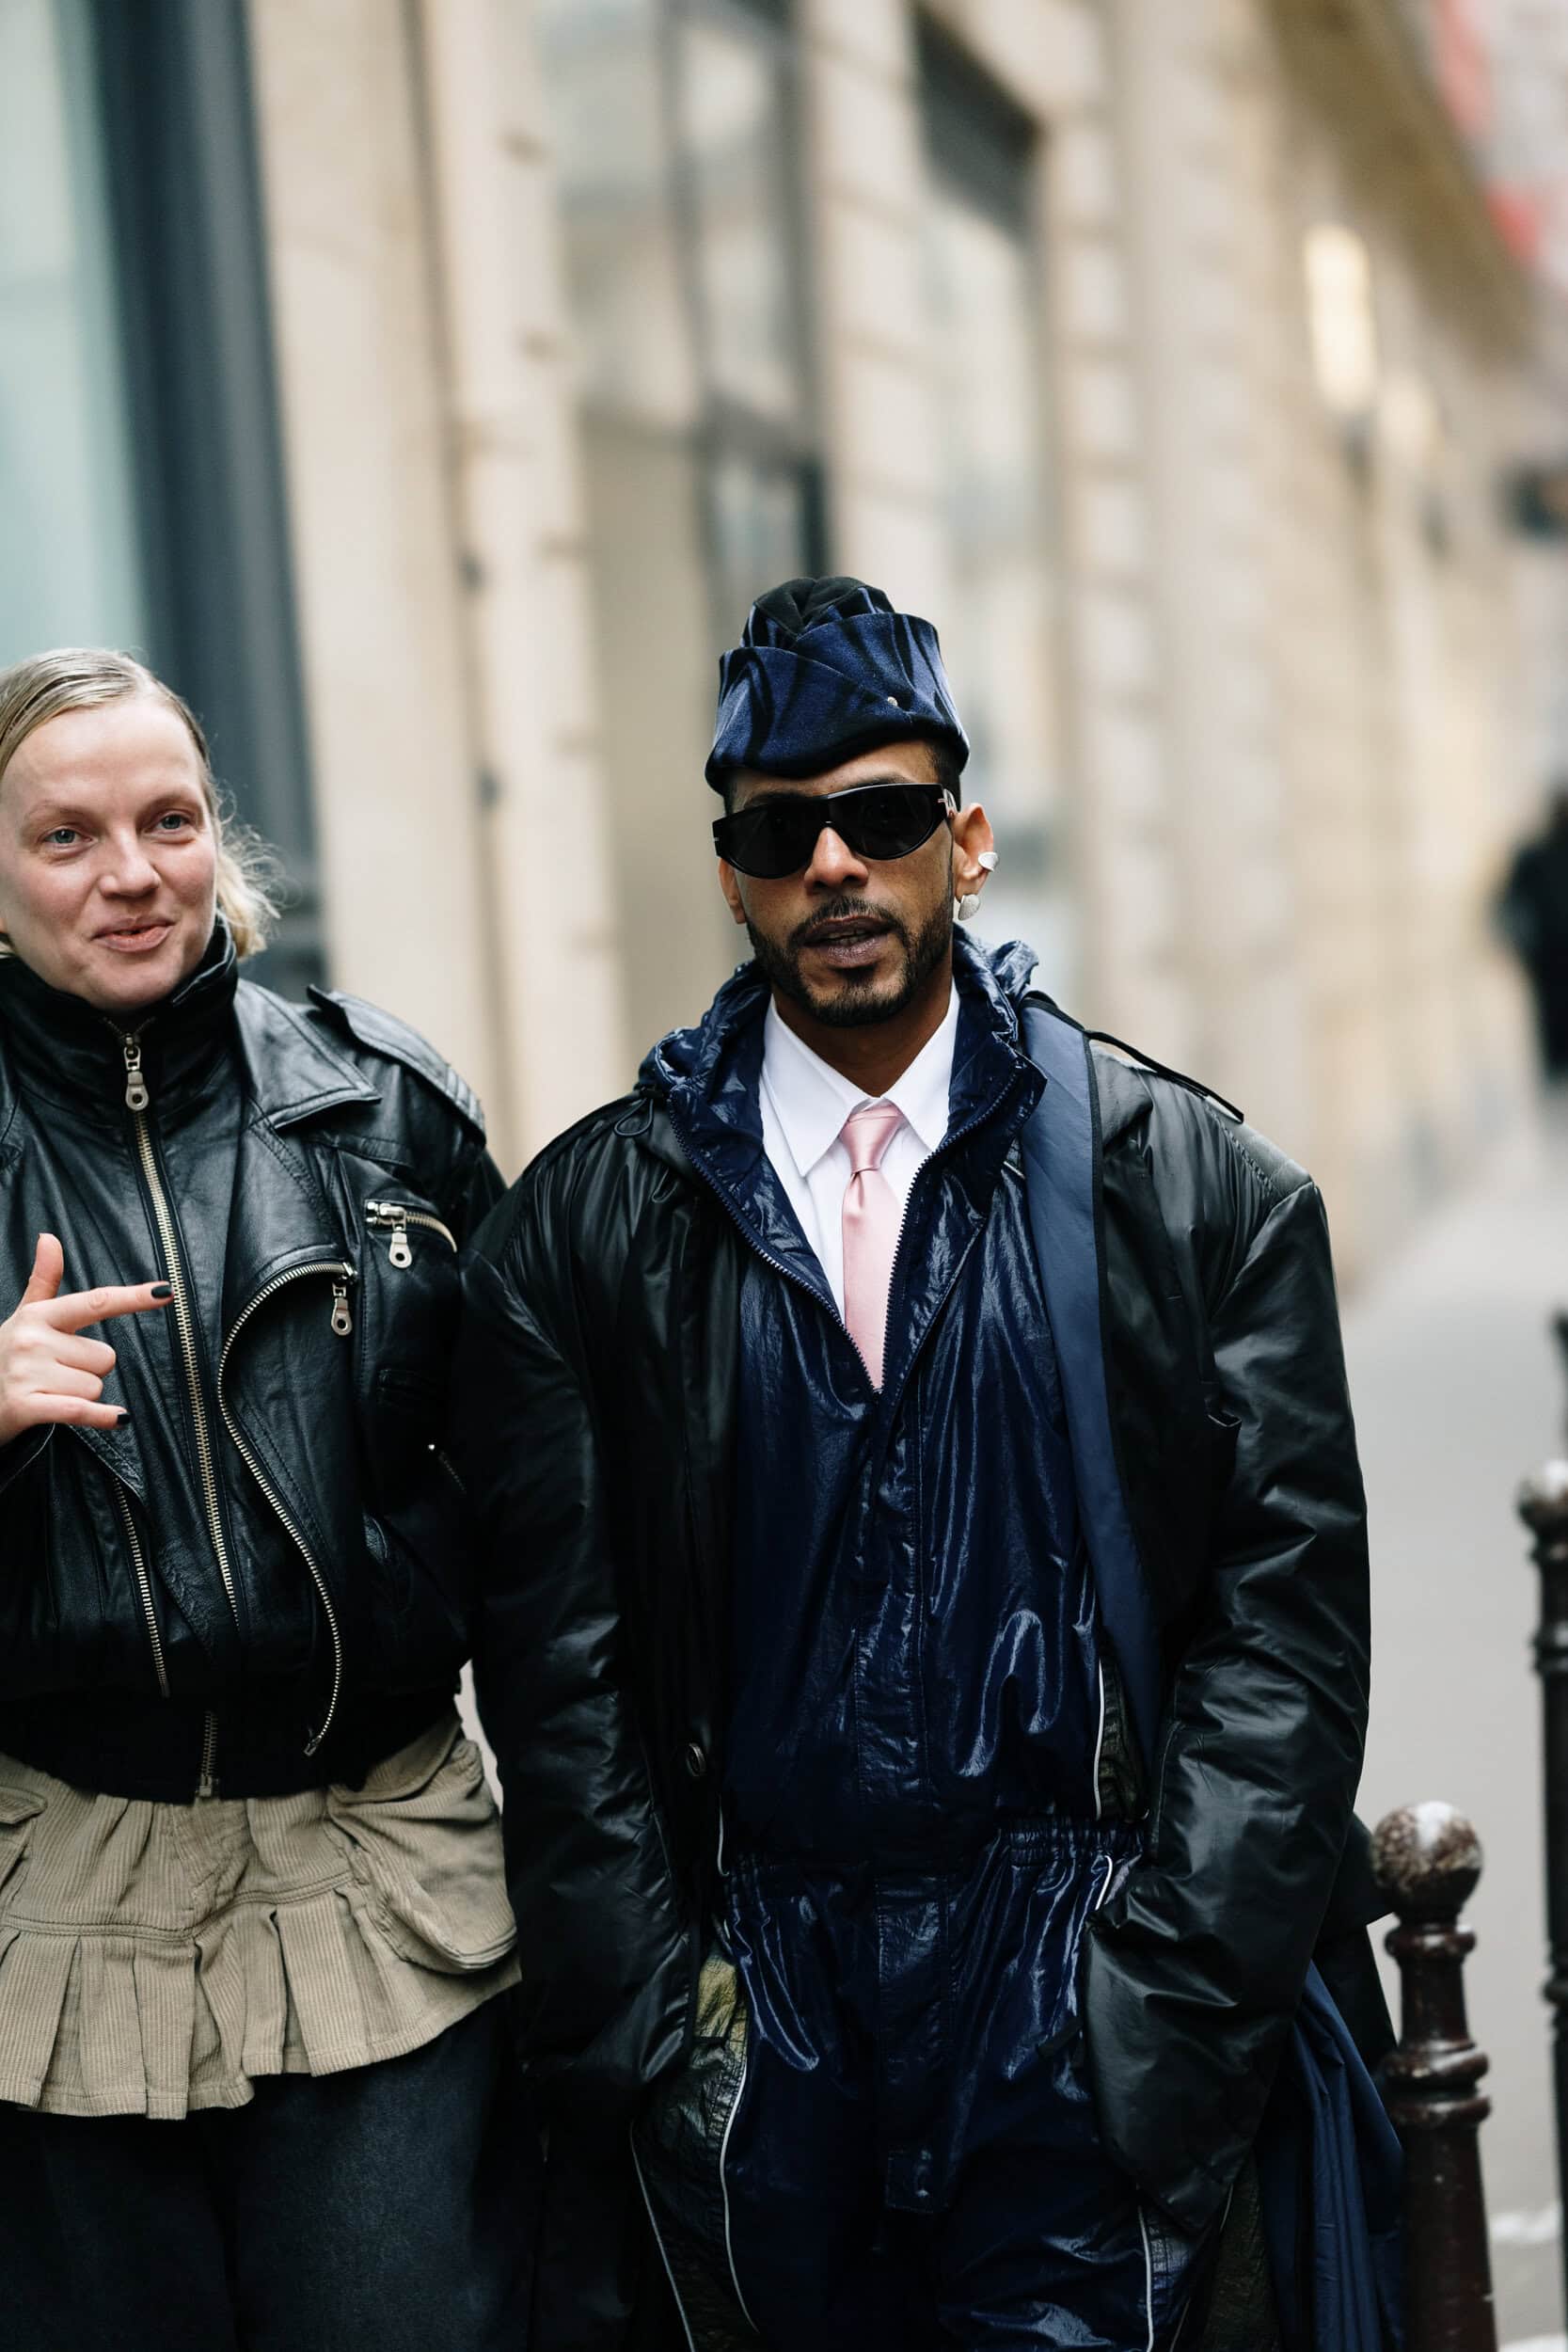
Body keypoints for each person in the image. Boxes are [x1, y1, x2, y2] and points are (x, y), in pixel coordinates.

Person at [455, 577, 1398, 2351]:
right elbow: (558, 1689)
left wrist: (1168, 2006)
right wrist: (661, 2040)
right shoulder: (583, 1235)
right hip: (758, 2035)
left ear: (962, 842)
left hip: (1072, 2002)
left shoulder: (1188, 1192)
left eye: (881, 820)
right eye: (781, 830)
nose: (834, 866)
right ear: (732, 868)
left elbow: (1283, 1642)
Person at [0, 649, 531, 2351]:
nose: (132, 872)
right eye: (64, 837)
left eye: (167, 820)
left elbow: (548, 1513)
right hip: (53, 1916)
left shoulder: (384, 1111)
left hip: (378, 1882)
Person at [1497, 786, 1568, 1081]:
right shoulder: (1533, 857)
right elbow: (1506, 909)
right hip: (1550, 971)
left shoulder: (1532, 856)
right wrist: (1526, 953)